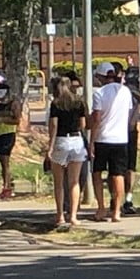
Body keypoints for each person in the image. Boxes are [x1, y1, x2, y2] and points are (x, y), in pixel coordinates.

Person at [89, 62, 133, 222]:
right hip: (121, 139)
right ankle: (116, 211)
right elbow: (128, 115)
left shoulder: (99, 93)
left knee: (97, 173)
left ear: (100, 77)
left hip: (102, 138)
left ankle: (101, 208)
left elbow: (96, 119)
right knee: (118, 174)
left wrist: (91, 141)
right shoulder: (125, 91)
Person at [47, 77, 88, 226]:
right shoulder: (79, 102)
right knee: (74, 181)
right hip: (77, 140)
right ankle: (73, 216)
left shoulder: (56, 104)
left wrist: (50, 147)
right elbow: (83, 124)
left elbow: (53, 125)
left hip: (61, 140)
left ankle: (60, 216)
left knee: (58, 183)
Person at [118, 63, 140, 215]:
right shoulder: (116, 90)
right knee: (117, 169)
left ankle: (128, 199)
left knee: (130, 168)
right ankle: (116, 199)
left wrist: (134, 91)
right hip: (117, 133)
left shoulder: (134, 92)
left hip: (131, 133)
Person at [0, 85, 20, 200]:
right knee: (2, 163)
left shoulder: (13, 104)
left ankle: (7, 187)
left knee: (5, 163)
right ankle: (7, 184)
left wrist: (3, 120)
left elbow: (17, 120)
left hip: (8, 135)